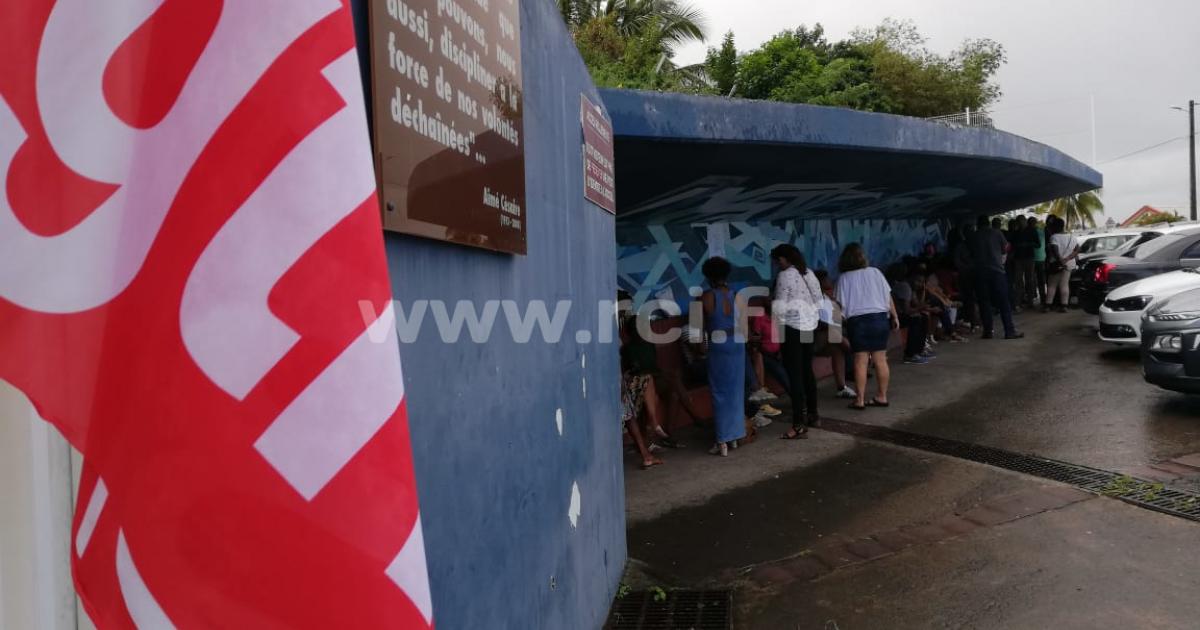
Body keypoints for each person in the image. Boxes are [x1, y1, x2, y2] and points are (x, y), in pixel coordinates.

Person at [835, 243, 900, 410]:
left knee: (860, 361)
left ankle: (860, 400)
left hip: (858, 322)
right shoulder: (875, 272)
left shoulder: (843, 278)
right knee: (880, 359)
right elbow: (887, 296)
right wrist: (895, 316)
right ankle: (882, 396)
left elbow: (840, 306)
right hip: (879, 319)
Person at [770, 244, 822, 440]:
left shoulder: (785, 276)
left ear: (785, 259)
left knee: (795, 376)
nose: (777, 265)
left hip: (791, 329)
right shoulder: (808, 273)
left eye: (778, 260)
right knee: (807, 371)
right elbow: (819, 300)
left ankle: (798, 424)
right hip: (809, 328)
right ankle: (813, 414)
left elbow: (780, 306)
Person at [699, 257, 746, 456]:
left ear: (708, 276)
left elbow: (697, 330)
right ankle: (734, 436)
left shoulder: (705, 297)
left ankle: (722, 441)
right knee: (736, 392)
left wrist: (701, 350)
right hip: (737, 345)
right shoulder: (738, 296)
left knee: (719, 393)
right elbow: (746, 329)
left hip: (718, 347)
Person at [970, 215, 1024, 340]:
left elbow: (971, 253)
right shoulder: (996, 232)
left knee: (984, 302)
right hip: (996, 271)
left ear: (978, 224)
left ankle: (988, 331)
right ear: (988, 223)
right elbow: (1006, 249)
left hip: (980, 272)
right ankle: (1009, 331)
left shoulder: (974, 236)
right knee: (1004, 302)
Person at [815, 269, 857, 399]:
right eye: (826, 279)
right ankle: (855, 351)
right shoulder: (812, 299)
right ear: (820, 282)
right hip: (812, 340)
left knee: (837, 349)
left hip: (829, 338)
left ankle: (841, 387)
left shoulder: (826, 297)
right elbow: (817, 323)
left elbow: (838, 318)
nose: (830, 281)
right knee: (833, 334)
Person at [889, 264, 932, 364]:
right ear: (911, 278)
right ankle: (910, 354)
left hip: (899, 315)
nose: (920, 284)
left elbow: (918, 304)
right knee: (916, 319)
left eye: (922, 282)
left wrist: (923, 290)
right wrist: (920, 308)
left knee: (923, 317)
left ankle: (919, 351)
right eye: (918, 281)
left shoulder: (911, 288)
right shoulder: (905, 287)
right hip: (893, 317)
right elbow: (906, 310)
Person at [1044, 218, 1080, 313]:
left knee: (1052, 285)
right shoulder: (1072, 237)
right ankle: (1064, 306)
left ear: (1055, 226)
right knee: (1064, 284)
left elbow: (1055, 250)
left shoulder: (1054, 237)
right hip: (1068, 265)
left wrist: (1061, 261)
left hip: (1056, 264)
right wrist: (1067, 259)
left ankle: (1048, 306)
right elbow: (1077, 250)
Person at [1011, 215, 1036, 310]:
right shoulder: (1015, 233)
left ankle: (1030, 301)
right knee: (1018, 281)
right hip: (1018, 259)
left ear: (1025, 221)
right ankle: (1018, 302)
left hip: (1029, 258)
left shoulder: (1032, 231)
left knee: (1030, 280)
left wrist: (1027, 244)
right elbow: (1012, 245)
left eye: (1022, 221)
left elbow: (1038, 244)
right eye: (1019, 221)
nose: (1021, 223)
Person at [1028, 216, 1048, 308]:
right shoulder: (1041, 232)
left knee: (1031, 280)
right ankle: (1043, 300)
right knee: (1040, 281)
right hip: (1041, 259)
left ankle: (1031, 300)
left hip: (1032, 259)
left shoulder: (1029, 233)